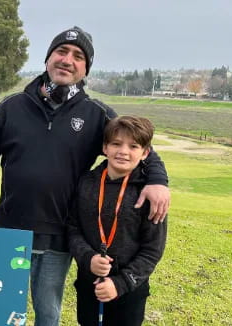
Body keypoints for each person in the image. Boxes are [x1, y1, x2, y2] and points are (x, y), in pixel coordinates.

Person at [0, 26, 170, 326]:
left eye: (78, 56)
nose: (67, 60)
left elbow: (137, 145)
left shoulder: (96, 114)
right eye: (61, 52)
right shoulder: (12, 106)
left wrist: (157, 181)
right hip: (10, 230)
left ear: (85, 68)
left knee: (47, 313)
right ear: (48, 58)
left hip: (59, 235)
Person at [67, 116, 167, 326]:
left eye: (133, 146)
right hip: (89, 285)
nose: (123, 151)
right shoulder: (86, 183)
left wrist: (121, 283)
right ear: (105, 148)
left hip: (130, 291)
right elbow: (72, 228)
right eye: (116, 144)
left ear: (145, 153)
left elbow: (152, 250)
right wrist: (88, 259)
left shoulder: (149, 195)